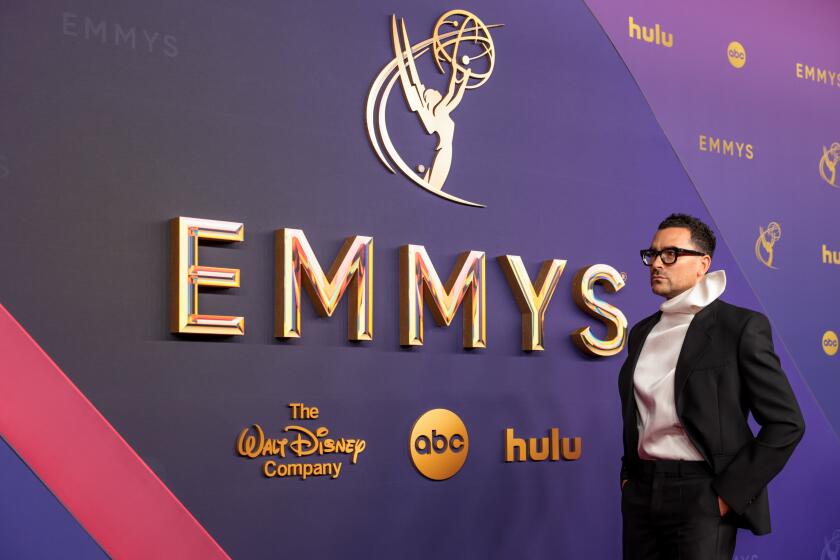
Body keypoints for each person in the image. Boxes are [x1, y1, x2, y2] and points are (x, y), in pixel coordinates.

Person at [618, 213, 805, 559]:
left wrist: (726, 496)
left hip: (701, 493)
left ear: (703, 263)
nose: (657, 263)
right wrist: (630, 478)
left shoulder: (740, 327)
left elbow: (787, 422)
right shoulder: (642, 332)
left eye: (670, 254)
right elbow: (638, 416)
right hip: (642, 492)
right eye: (652, 254)